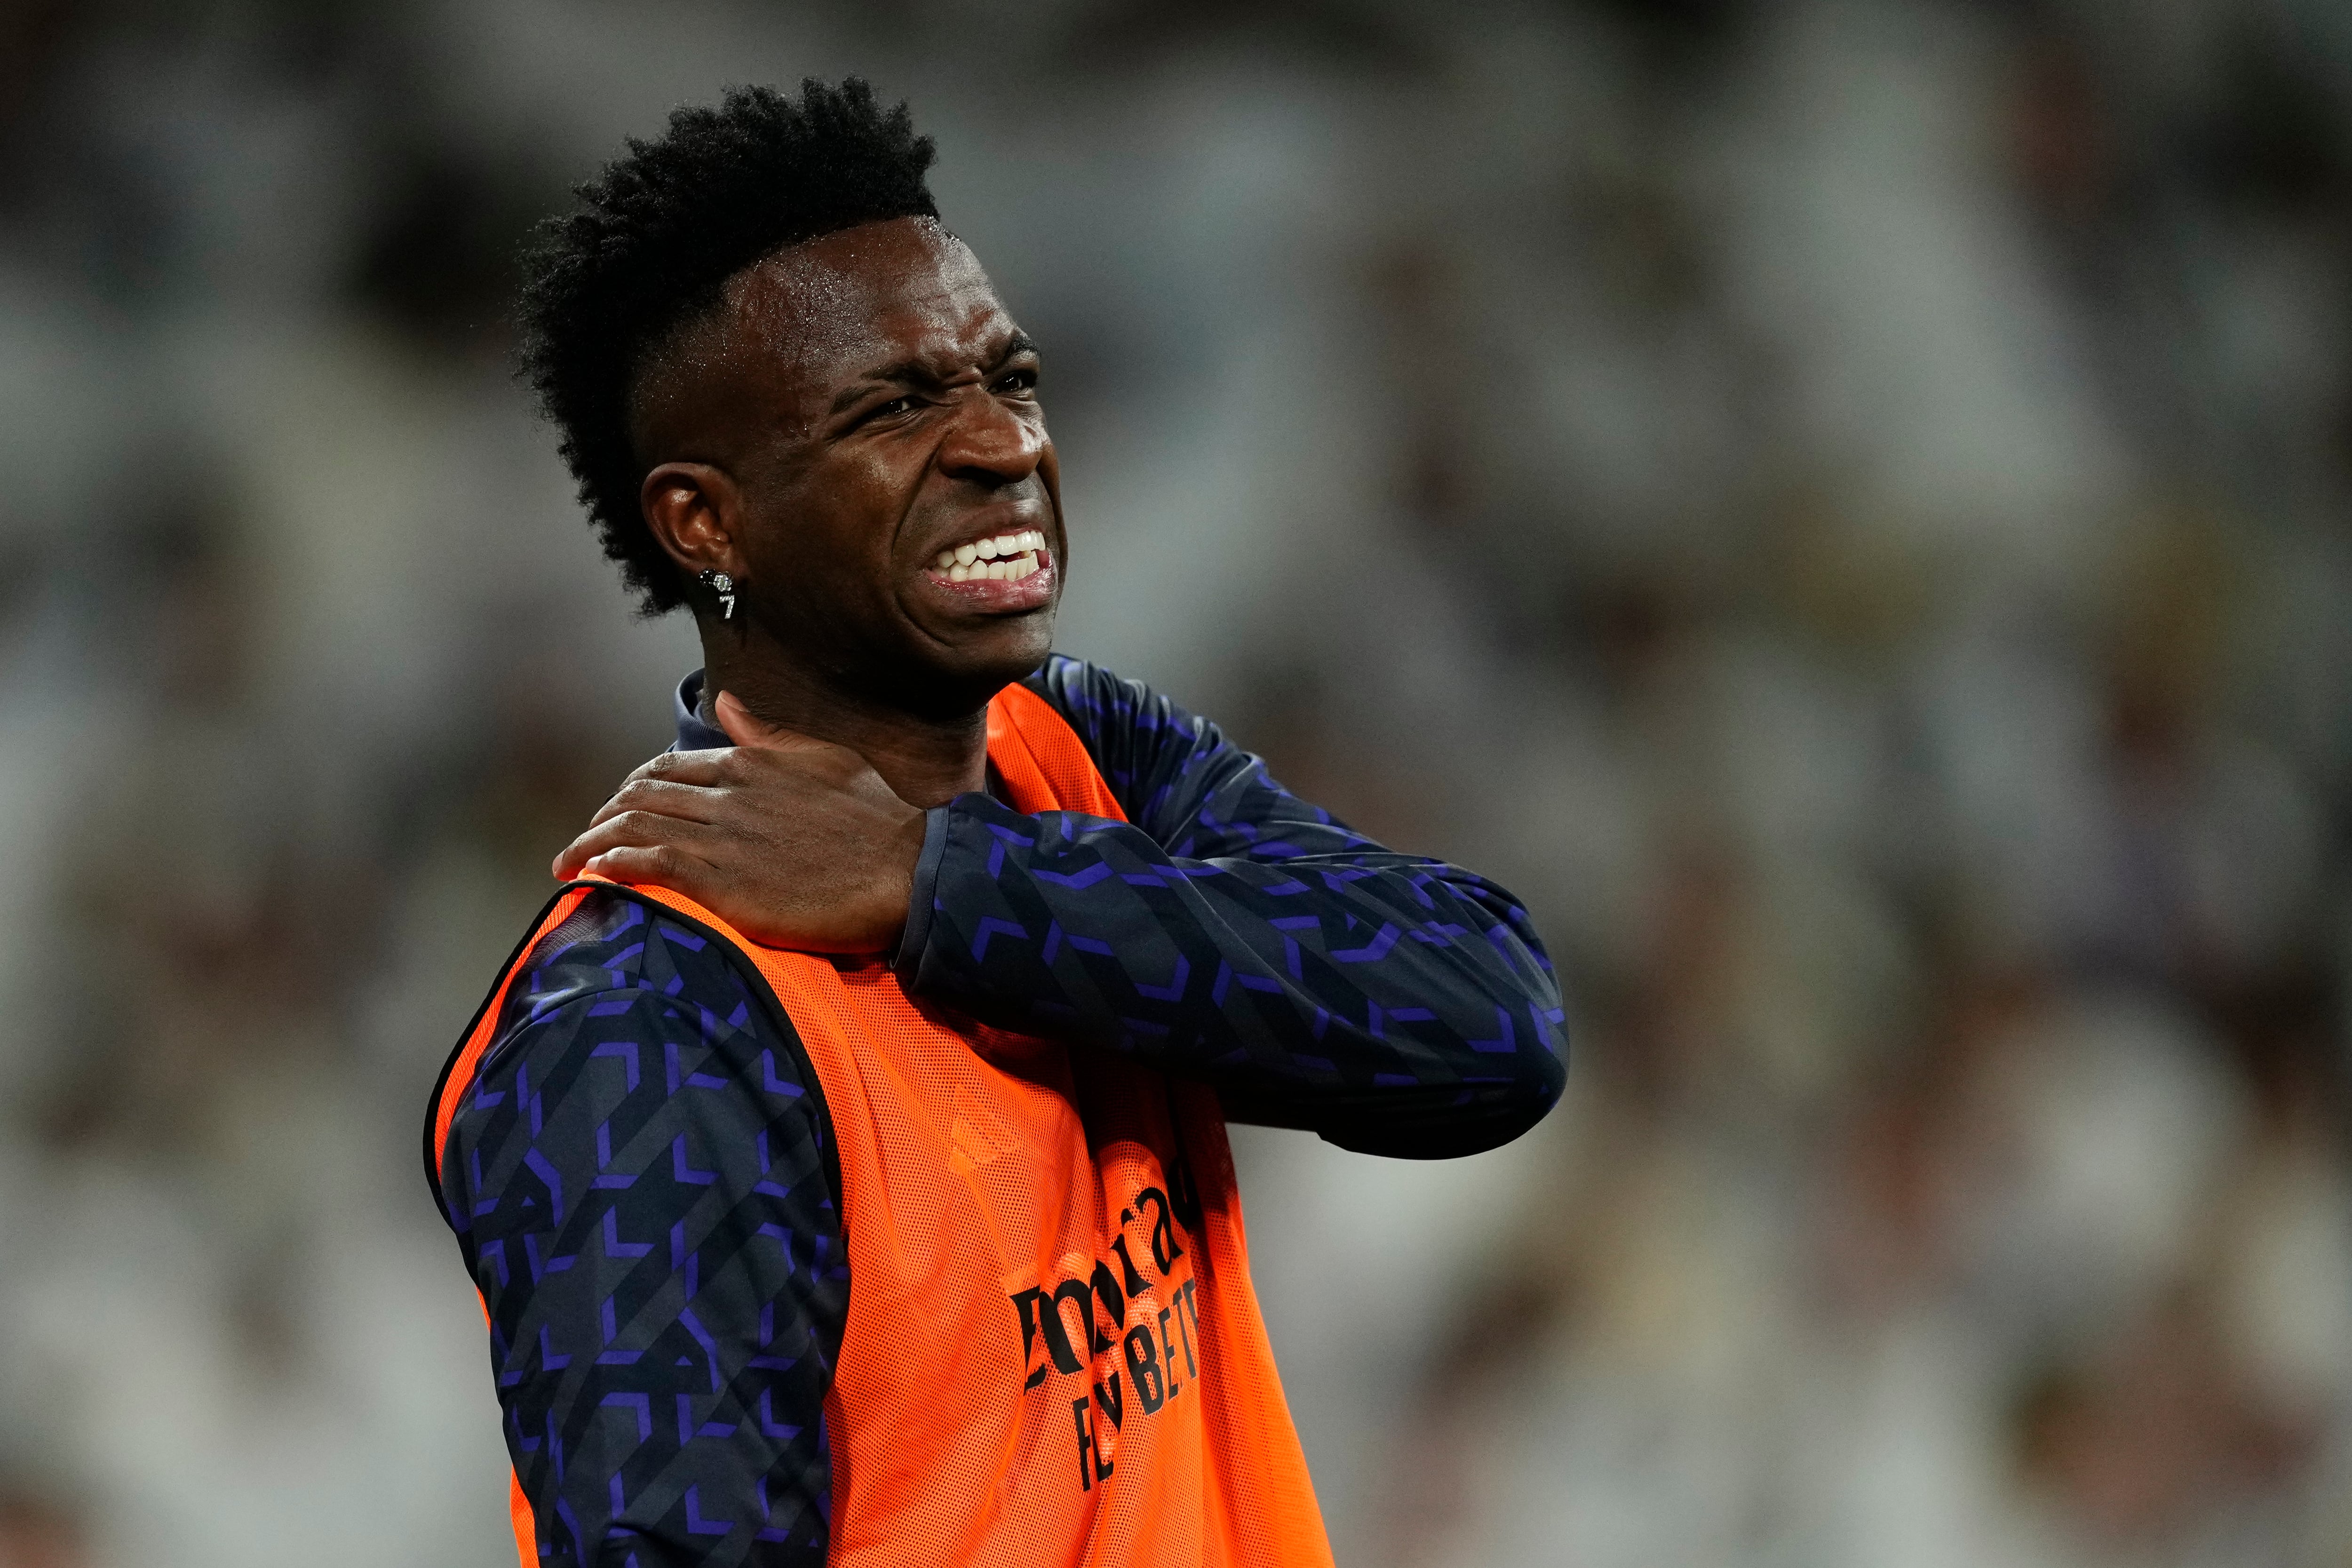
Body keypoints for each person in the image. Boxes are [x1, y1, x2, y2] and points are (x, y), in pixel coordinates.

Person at [424, 79, 1566, 1568]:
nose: (999, 444)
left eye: (1009, 379)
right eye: (896, 406)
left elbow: (1486, 1024)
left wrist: (936, 885)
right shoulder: (642, 1028)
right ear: (707, 523)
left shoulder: (1080, 749)